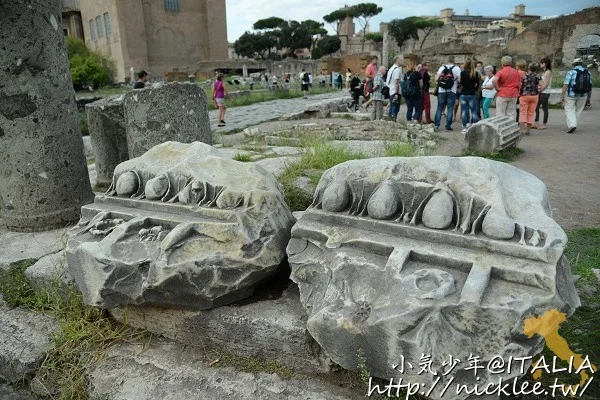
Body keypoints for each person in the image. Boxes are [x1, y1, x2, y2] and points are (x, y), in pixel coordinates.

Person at [561, 57, 591, 133]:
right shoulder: (588, 72)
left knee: (569, 109)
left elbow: (566, 84)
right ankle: (574, 124)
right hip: (583, 95)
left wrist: (562, 95)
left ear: (574, 64)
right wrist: (589, 97)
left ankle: (572, 125)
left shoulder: (571, 72)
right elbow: (590, 86)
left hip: (571, 95)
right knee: (578, 110)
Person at [434, 55, 461, 131]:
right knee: (450, 108)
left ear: (447, 60)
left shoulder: (442, 67)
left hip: (441, 91)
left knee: (439, 108)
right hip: (452, 91)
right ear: (454, 60)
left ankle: (436, 125)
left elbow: (436, 79)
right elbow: (459, 80)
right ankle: (448, 126)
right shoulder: (457, 68)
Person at [458, 58, 481, 134]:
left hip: (464, 94)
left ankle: (465, 127)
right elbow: (477, 84)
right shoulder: (475, 73)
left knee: (464, 111)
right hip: (471, 93)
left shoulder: (463, 73)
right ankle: (474, 125)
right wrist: (474, 89)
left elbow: (461, 83)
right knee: (474, 111)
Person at [519, 62, 540, 136]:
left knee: (522, 113)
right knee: (531, 113)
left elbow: (520, 86)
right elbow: (543, 85)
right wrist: (538, 91)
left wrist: (520, 94)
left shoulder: (524, 76)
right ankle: (528, 130)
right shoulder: (537, 76)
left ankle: (521, 130)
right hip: (534, 96)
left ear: (528, 68)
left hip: (524, 95)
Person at [534, 57, 553, 130]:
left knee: (544, 108)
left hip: (545, 92)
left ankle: (544, 124)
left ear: (545, 64)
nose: (540, 64)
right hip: (542, 91)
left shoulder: (548, 72)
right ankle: (536, 122)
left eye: (542, 63)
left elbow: (547, 83)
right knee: (536, 107)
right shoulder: (544, 72)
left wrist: (541, 90)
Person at [402, 58, 423, 123]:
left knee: (409, 108)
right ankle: (415, 120)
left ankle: (408, 121)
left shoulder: (405, 75)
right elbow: (421, 83)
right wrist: (420, 89)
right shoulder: (417, 73)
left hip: (407, 93)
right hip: (416, 93)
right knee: (417, 108)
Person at [386, 56, 403, 121]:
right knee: (395, 108)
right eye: (401, 60)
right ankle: (392, 121)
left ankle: (390, 120)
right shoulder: (397, 70)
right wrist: (396, 93)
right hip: (395, 91)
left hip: (391, 91)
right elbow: (396, 82)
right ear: (397, 60)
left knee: (392, 107)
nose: (402, 62)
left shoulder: (391, 69)